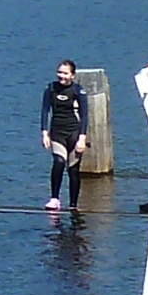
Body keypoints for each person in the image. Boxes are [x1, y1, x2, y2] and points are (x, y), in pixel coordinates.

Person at [40, 60, 92, 215]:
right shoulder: (51, 88)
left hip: (74, 133)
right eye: (60, 72)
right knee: (59, 161)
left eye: (65, 73)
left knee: (73, 170)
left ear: (72, 75)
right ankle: (54, 198)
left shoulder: (78, 91)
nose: (61, 76)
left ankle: (73, 204)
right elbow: (44, 111)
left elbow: (84, 115)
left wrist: (82, 138)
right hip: (57, 132)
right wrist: (44, 133)